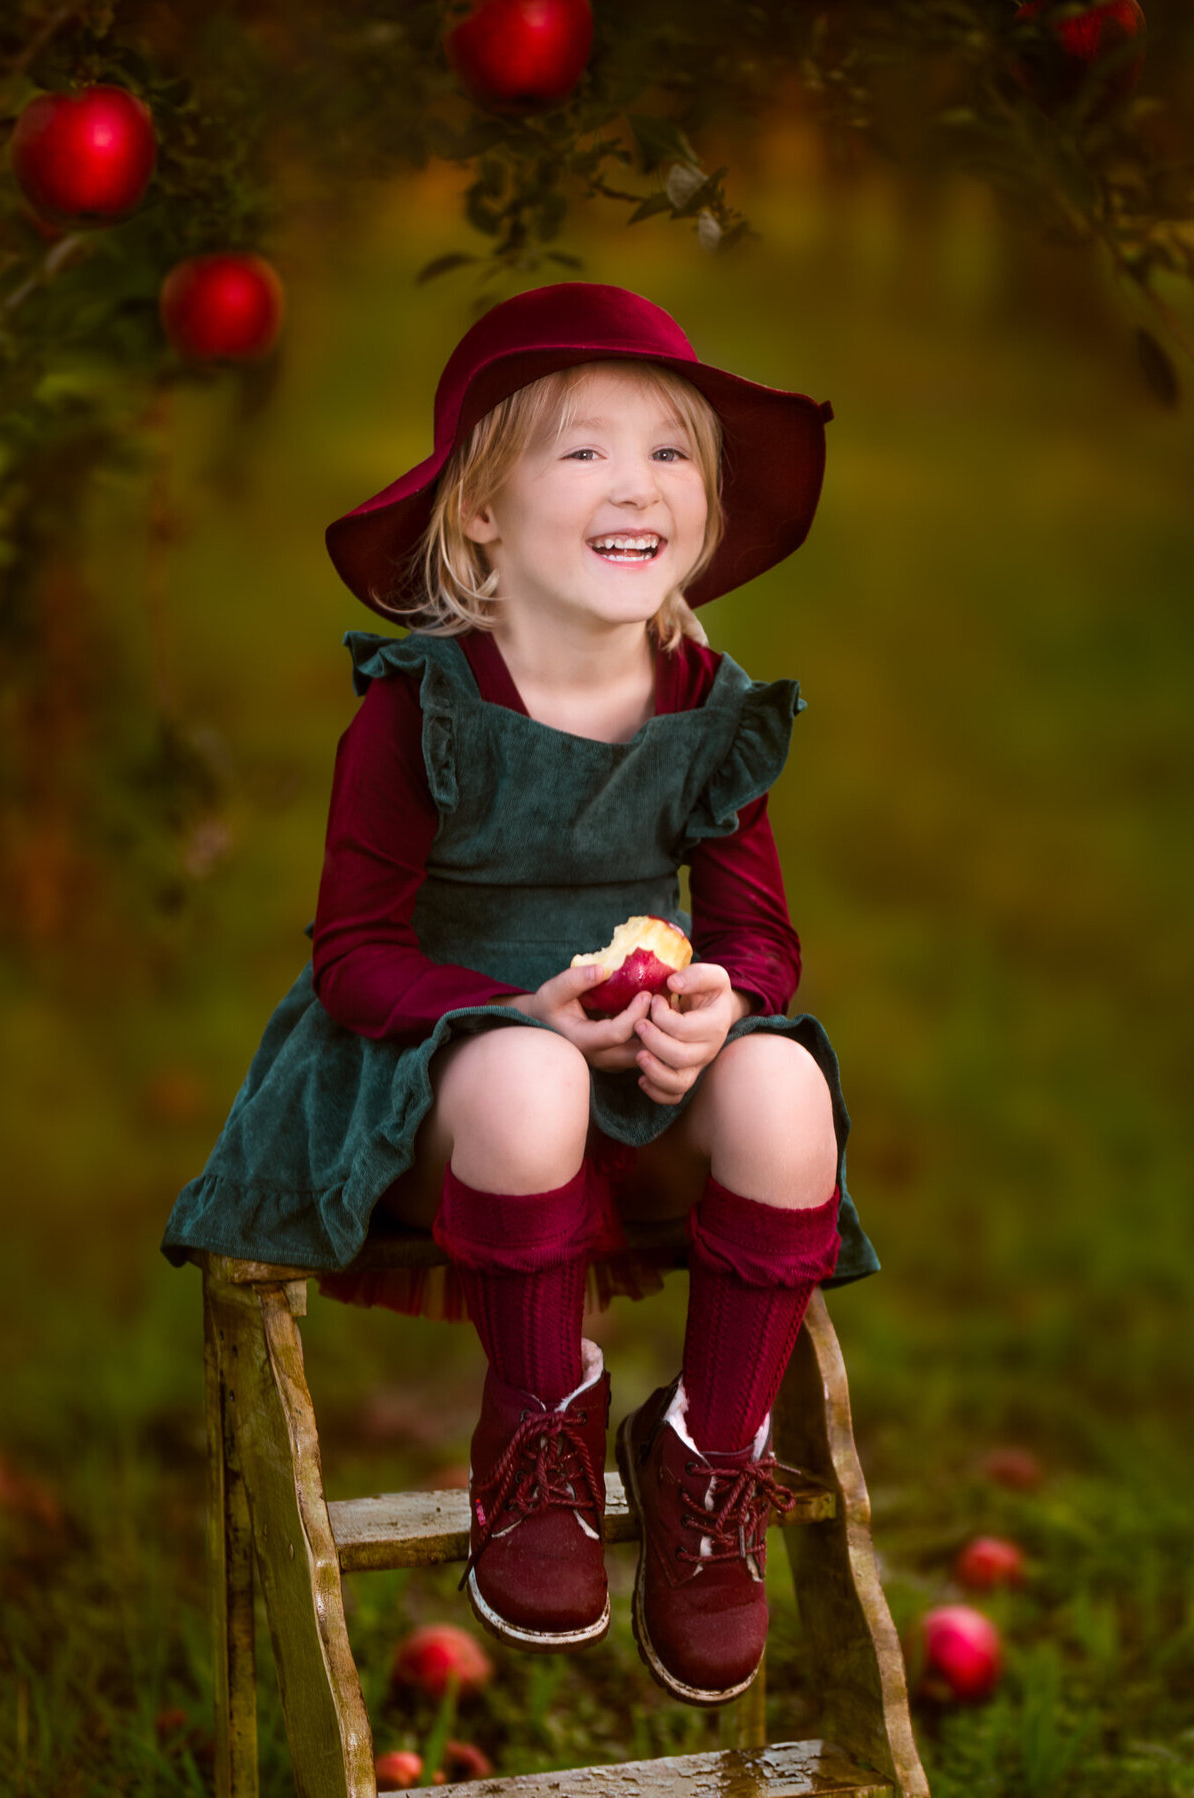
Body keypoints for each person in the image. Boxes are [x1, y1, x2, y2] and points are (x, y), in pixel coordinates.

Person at [163, 282, 879, 1707]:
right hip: (430, 1088)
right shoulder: (419, 706)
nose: (639, 483)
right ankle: (537, 1429)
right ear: (481, 509)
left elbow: (760, 942)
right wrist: (518, 1018)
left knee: (790, 1081)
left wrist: (713, 1005)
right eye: (585, 452)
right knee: (532, 1070)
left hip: (636, 1073)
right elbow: (354, 951)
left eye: (673, 452)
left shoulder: (704, 702)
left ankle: (705, 1454)